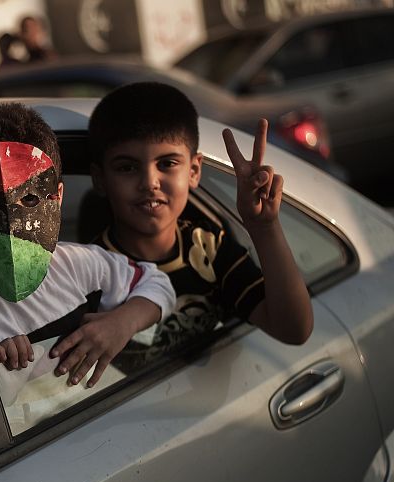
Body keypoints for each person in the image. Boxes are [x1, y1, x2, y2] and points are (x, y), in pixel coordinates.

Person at [0, 103, 175, 401]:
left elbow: (156, 282)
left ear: (58, 197)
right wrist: (0, 374)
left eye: (29, 198)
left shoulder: (76, 265)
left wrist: (122, 323)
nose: (11, 223)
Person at [87, 82, 313, 358]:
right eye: (127, 168)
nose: (149, 182)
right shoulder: (89, 273)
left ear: (194, 171)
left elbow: (294, 330)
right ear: (100, 179)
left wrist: (264, 227)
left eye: (167, 164)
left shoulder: (208, 247)